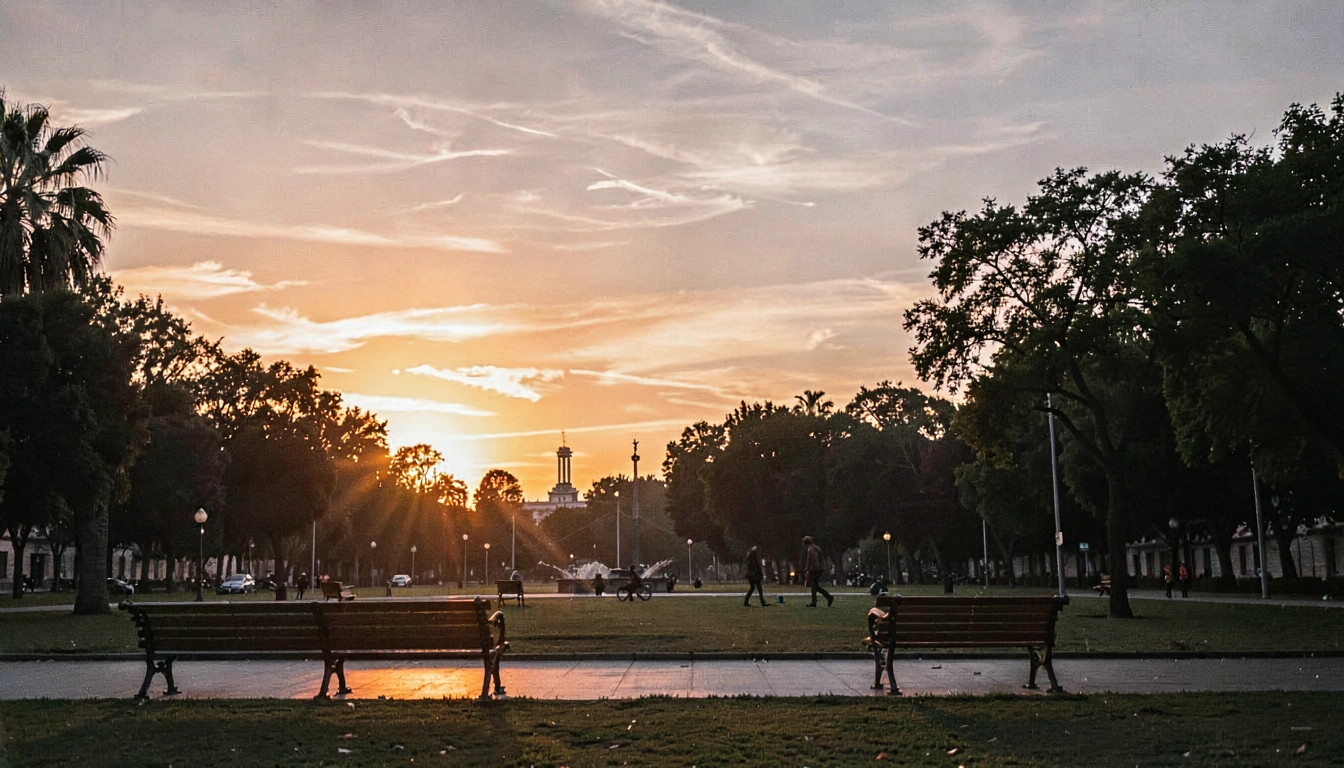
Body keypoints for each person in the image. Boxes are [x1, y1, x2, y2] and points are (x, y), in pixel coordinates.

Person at [803, 536, 833, 607]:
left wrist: (809, 569)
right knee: (814, 586)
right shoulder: (815, 547)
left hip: (815, 570)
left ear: (806, 543)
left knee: (815, 586)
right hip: (818, 569)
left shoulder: (811, 549)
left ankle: (828, 597)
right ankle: (814, 602)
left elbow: (814, 560)